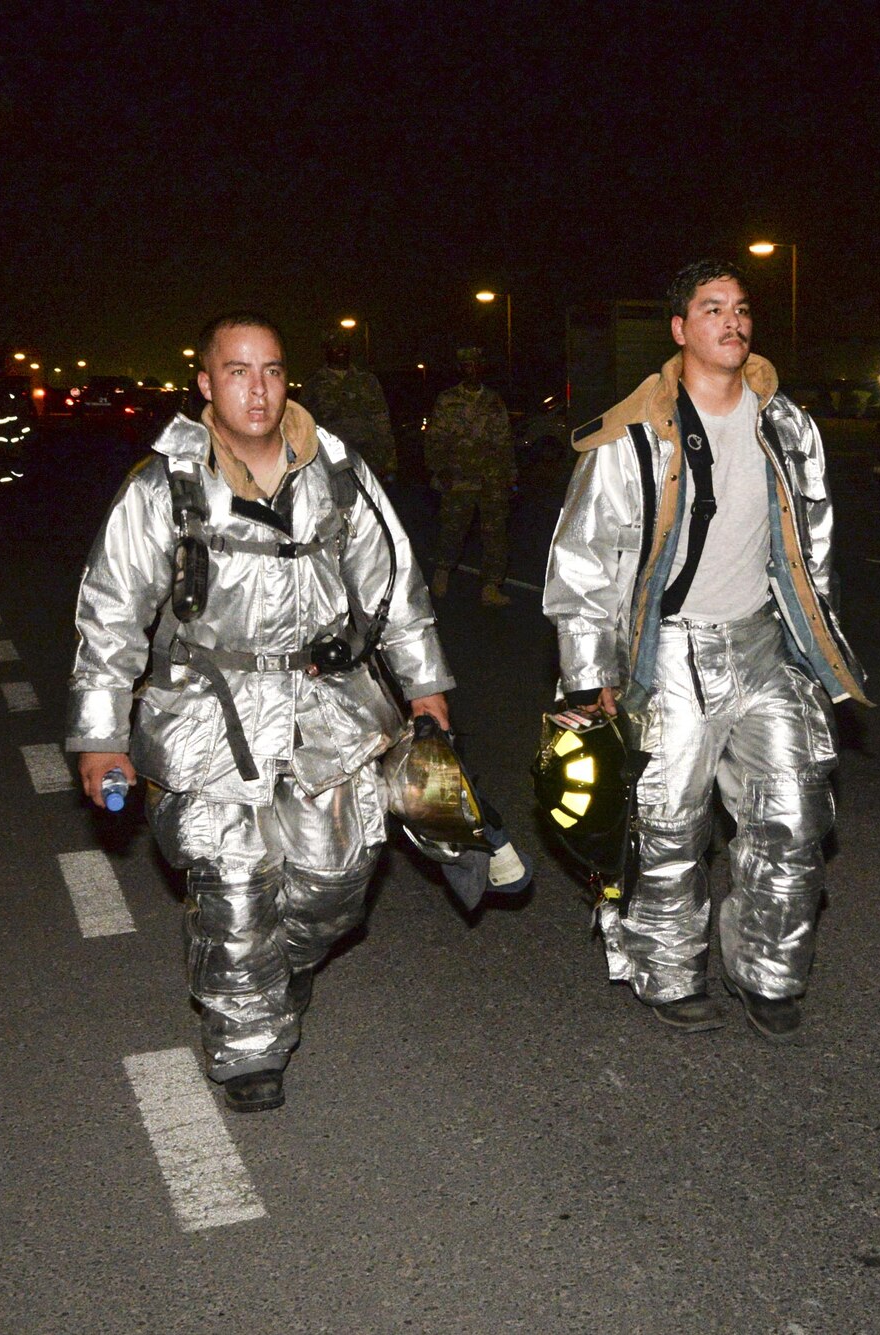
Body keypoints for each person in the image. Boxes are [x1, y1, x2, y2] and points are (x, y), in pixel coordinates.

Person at [68, 312, 453, 1113]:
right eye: (238, 370)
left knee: (335, 881)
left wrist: (425, 687)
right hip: (208, 716)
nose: (258, 387)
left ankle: (282, 968)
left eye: (273, 370)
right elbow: (110, 613)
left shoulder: (338, 472)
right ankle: (246, 1046)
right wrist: (101, 734)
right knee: (237, 887)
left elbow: (396, 588)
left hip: (327, 711)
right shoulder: (163, 485)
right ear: (205, 382)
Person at [541, 259, 869, 1041]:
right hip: (670, 656)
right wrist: (592, 680)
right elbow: (583, 563)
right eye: (712, 308)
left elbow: (809, 541)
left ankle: (768, 972)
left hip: (763, 647)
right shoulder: (635, 435)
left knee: (794, 819)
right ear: (681, 329)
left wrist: (811, 642)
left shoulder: (786, 425)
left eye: (742, 307)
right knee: (666, 828)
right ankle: (667, 971)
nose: (733, 320)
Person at [425, 346, 515, 607]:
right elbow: (435, 437)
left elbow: (504, 439)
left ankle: (491, 586)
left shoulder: (494, 400)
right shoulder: (447, 400)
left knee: (495, 534)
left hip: (491, 479)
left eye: (476, 364)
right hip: (459, 477)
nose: (472, 369)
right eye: (467, 365)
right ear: (460, 369)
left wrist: (509, 473)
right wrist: (439, 469)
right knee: (452, 529)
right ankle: (442, 572)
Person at [298, 334, 397, 480]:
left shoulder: (367, 381)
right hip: (330, 464)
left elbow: (381, 421)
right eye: (335, 347)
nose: (341, 350)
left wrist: (389, 463)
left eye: (345, 346)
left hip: (368, 461)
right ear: (327, 350)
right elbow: (304, 425)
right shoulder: (314, 384)